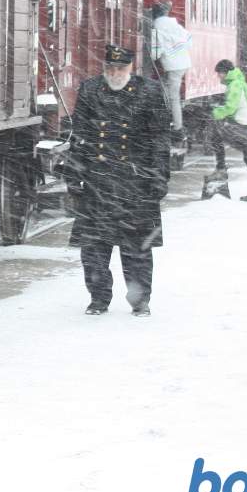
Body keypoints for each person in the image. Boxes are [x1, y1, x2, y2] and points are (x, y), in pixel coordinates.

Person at [66, 44, 171, 317]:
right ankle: (98, 299)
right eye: (110, 68)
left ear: (131, 68)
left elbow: (159, 139)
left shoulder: (148, 91)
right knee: (93, 248)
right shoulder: (90, 89)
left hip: (135, 183)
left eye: (121, 68)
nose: (115, 73)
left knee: (137, 247)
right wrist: (74, 173)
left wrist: (159, 175)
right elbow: (79, 135)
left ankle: (140, 301)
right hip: (97, 180)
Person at [205, 59, 247, 201]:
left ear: (225, 72)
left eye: (219, 73)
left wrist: (213, 112)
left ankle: (221, 168)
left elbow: (230, 108)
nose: (218, 76)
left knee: (216, 130)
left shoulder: (235, 84)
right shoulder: (238, 82)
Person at [148, 0, 193, 138]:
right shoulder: (175, 25)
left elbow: (155, 53)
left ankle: (178, 128)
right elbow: (189, 39)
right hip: (183, 63)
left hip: (172, 66)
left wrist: (156, 52)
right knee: (166, 91)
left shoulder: (156, 27)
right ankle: (171, 123)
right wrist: (176, 49)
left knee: (172, 97)